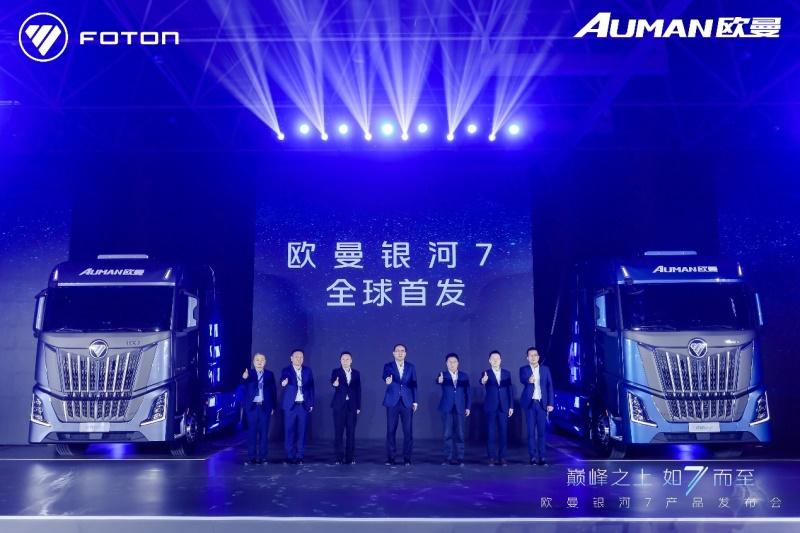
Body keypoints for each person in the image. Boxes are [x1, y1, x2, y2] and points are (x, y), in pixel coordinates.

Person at [382, 343, 418, 465]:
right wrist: (387, 380)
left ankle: (407, 458)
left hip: (407, 402)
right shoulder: (388, 366)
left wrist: (415, 401)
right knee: (391, 431)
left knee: (408, 431)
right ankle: (391, 458)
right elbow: (385, 376)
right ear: (393, 353)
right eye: (397, 351)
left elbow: (414, 385)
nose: (400, 353)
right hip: (392, 402)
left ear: (405, 353)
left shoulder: (411, 367)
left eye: (402, 351)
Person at [519, 346, 554, 466]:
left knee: (542, 432)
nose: (533, 357)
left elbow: (550, 386)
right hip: (529, 404)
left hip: (542, 404)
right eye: (531, 355)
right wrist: (529, 380)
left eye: (535, 355)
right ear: (527, 358)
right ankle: (532, 457)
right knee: (530, 432)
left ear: (538, 357)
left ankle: (542, 456)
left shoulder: (545, 369)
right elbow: (522, 379)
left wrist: (550, 403)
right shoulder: (523, 369)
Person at [280, 349, 315, 464]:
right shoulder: (287, 370)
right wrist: (283, 382)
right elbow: (283, 378)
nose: (299, 359)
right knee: (289, 431)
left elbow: (311, 388)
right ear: (291, 358)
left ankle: (300, 456)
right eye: (296, 357)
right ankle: (290, 456)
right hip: (290, 406)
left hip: (303, 405)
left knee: (302, 432)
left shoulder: (307, 371)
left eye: (301, 357)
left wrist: (311, 403)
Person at [241, 352, 276, 465]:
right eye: (257, 360)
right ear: (253, 362)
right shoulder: (249, 373)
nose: (260, 362)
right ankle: (251, 457)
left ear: (265, 362)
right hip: (252, 407)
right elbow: (243, 386)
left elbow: (273, 391)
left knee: (264, 433)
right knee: (251, 433)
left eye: (262, 360)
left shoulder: (269, 374)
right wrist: (244, 378)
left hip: (265, 407)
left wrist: (273, 406)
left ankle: (263, 457)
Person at [436, 353, 471, 465]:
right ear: (446, 363)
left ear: (458, 363)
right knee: (447, 434)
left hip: (460, 407)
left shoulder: (464, 376)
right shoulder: (443, 375)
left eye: (454, 362)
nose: (452, 364)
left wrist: (468, 407)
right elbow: (438, 381)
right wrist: (439, 380)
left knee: (460, 433)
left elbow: (468, 393)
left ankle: (460, 458)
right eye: (450, 362)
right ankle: (447, 458)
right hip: (446, 407)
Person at [481, 350, 514, 466]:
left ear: (500, 360)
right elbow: (482, 381)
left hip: (504, 406)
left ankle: (502, 457)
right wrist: (483, 381)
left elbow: (510, 390)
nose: (495, 360)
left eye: (497, 358)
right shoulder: (486, 373)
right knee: (491, 433)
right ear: (489, 360)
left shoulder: (506, 373)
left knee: (503, 432)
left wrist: (511, 406)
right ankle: (491, 457)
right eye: (493, 358)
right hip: (491, 406)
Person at [330, 351, 361, 464]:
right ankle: (339, 458)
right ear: (340, 360)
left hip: (352, 406)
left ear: (351, 361)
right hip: (339, 406)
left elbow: (358, 390)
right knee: (338, 433)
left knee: (351, 433)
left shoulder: (356, 373)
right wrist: (335, 384)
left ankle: (350, 458)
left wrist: (358, 406)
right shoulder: (336, 372)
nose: (345, 361)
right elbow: (333, 382)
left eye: (347, 359)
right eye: (343, 359)